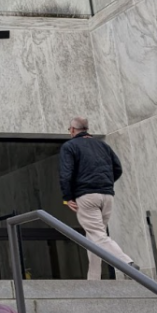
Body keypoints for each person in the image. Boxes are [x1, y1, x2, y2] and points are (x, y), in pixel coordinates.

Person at [58, 116, 133, 280]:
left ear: (72, 130)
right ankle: (93, 278)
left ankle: (126, 263)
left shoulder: (70, 146)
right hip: (107, 196)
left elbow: (66, 174)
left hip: (86, 196)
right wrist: (104, 183)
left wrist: (67, 197)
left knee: (99, 236)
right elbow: (117, 168)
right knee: (94, 237)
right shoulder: (102, 146)